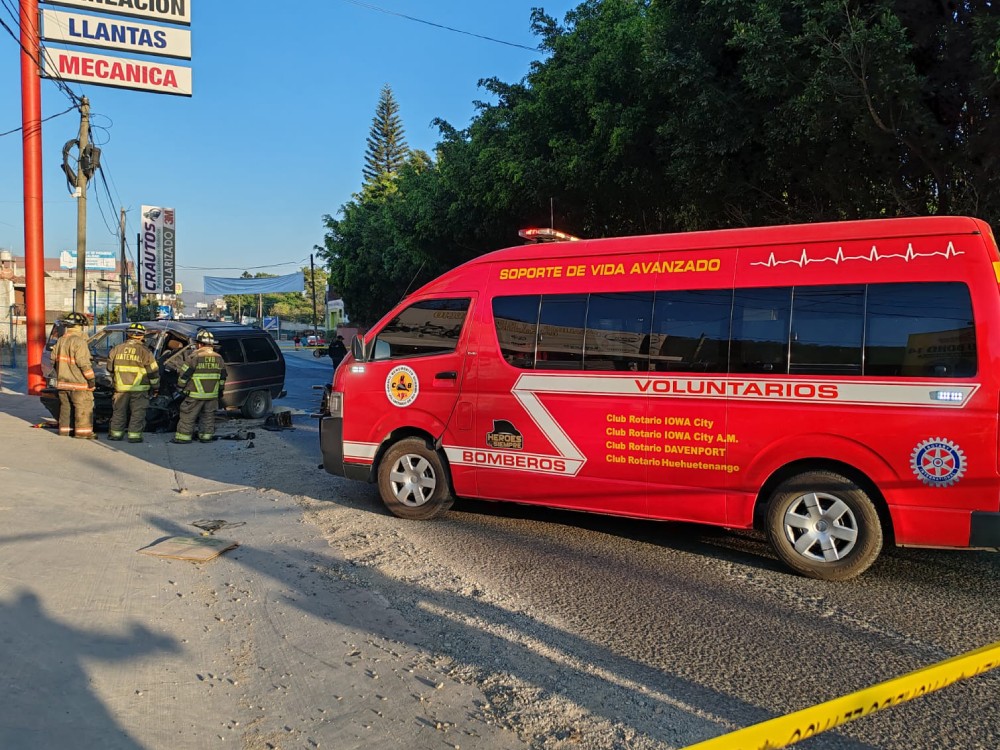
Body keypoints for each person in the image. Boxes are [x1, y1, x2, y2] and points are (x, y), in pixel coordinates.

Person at [171, 330, 227, 445]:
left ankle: (183, 437)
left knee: (188, 415)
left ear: (200, 344)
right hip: (212, 395)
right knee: (208, 416)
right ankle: (206, 436)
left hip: (195, 394)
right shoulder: (219, 358)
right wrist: (220, 391)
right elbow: (222, 377)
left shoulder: (194, 357)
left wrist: (180, 387)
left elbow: (184, 375)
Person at [106, 322, 160, 443]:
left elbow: (109, 368)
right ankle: (134, 436)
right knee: (138, 413)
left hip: (121, 389)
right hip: (139, 389)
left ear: (128, 334)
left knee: (119, 412)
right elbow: (153, 372)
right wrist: (156, 387)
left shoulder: (116, 349)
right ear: (142, 336)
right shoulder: (145, 352)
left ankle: (116, 434)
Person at [50, 312, 96, 439]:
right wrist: (91, 379)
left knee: (65, 408)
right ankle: (83, 433)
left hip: (62, 383)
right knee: (83, 407)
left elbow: (52, 359)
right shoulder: (79, 341)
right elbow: (83, 363)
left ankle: (65, 431)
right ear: (79, 326)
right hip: (78, 384)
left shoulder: (61, 340)